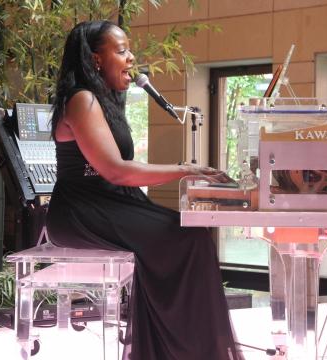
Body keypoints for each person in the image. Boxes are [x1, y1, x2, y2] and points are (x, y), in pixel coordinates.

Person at [46, 20, 242, 360]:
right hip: (82, 210)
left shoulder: (105, 101)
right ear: (95, 60)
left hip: (110, 203)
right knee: (187, 239)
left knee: (191, 232)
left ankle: (184, 346)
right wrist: (187, 170)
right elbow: (116, 171)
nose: (131, 58)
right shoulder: (82, 101)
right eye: (122, 51)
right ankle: (183, 348)